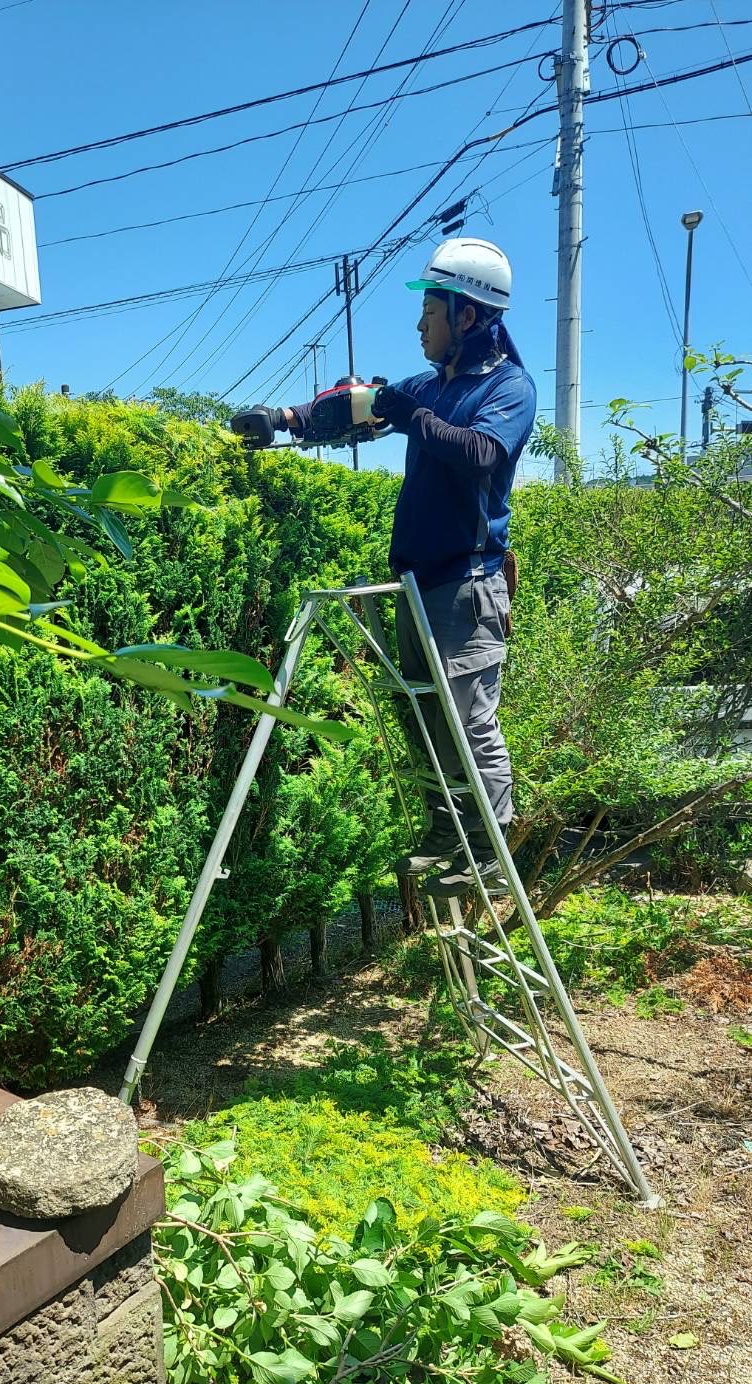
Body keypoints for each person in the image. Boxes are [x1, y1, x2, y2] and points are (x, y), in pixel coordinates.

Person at [253, 238, 536, 897]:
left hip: (467, 587)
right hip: (416, 585)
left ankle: (492, 850)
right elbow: (356, 407)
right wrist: (286, 420)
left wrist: (415, 416)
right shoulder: (428, 387)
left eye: (429, 311)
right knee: (423, 716)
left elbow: (484, 454)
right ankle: (450, 828)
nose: (418, 325)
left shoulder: (508, 388)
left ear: (467, 318)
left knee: (469, 720)